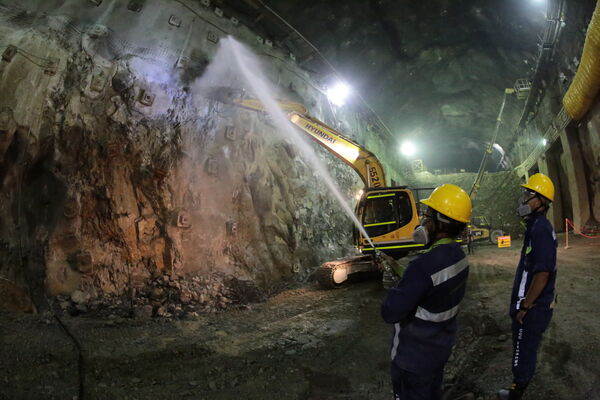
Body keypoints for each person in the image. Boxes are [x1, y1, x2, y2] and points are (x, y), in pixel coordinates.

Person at [381, 184, 472, 400]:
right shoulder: (459, 256)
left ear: (439, 221)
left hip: (412, 359)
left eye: (427, 215)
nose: (423, 221)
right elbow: (433, 284)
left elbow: (390, 312)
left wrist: (394, 286)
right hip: (439, 350)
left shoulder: (422, 266)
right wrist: (398, 268)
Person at [498, 173, 557, 400]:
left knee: (523, 350)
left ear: (540, 201)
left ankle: (516, 391)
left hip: (533, 308)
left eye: (528, 195)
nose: (523, 199)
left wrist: (526, 305)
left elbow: (542, 273)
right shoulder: (535, 226)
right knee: (525, 348)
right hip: (532, 304)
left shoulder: (540, 229)